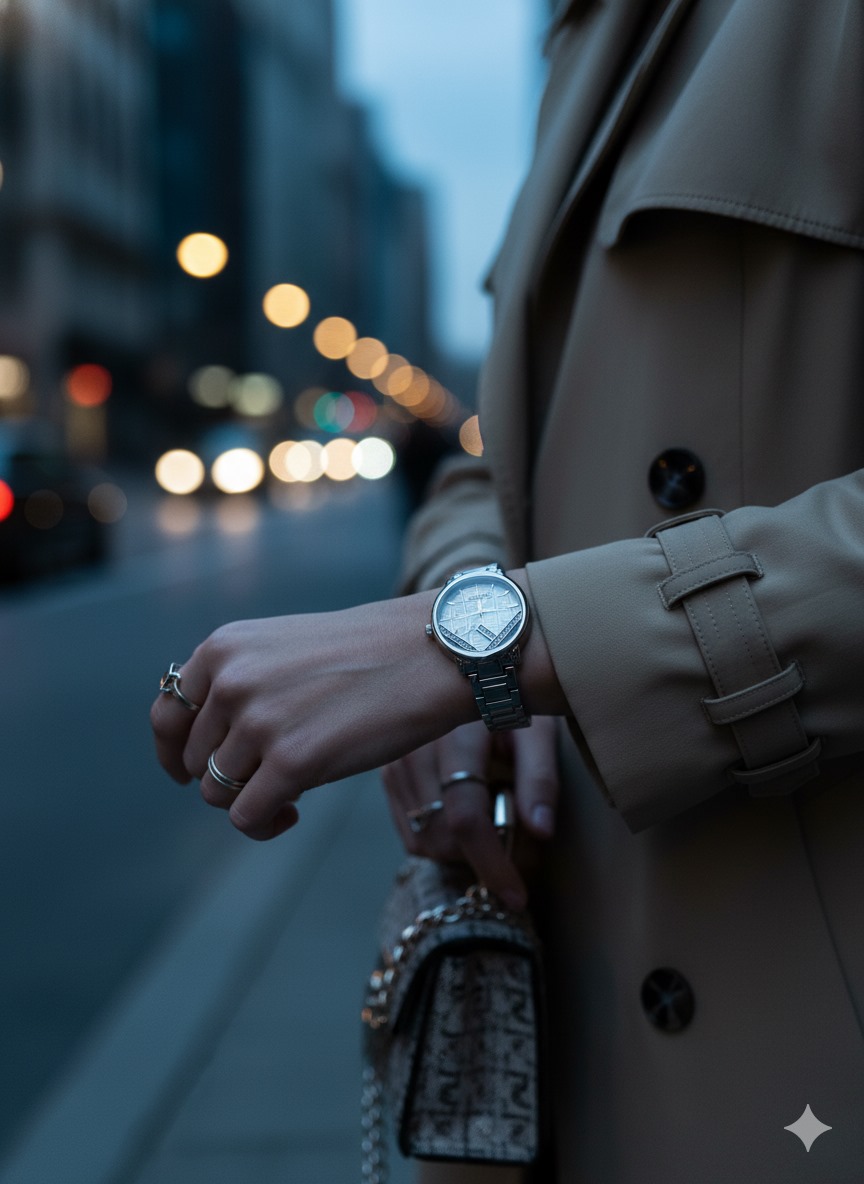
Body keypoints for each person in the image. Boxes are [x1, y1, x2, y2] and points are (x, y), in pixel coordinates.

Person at [151, 0, 864, 1179]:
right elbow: (501, 456)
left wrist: (501, 647)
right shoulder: (588, 34)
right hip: (587, 1015)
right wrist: (465, 608)